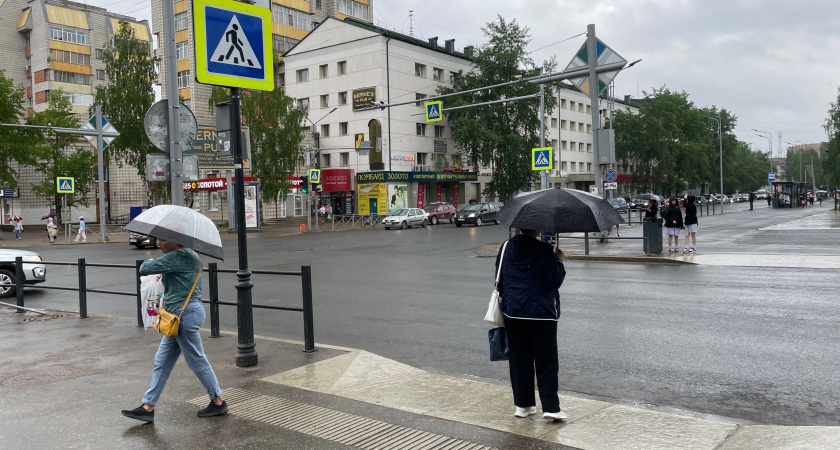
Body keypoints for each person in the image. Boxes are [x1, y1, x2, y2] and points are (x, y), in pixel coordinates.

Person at [122, 238, 226, 423]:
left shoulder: (181, 255)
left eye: (163, 240)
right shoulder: (183, 255)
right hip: (178, 316)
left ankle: (218, 401)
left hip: (184, 315)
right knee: (162, 361)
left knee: (196, 359)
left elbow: (144, 268)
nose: (159, 244)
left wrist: (155, 263)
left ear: (177, 241)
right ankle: (148, 407)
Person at [495, 229, 568, 421]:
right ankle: (551, 407)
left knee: (519, 359)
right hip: (541, 314)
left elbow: (499, 279)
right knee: (546, 360)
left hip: (513, 312)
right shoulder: (544, 250)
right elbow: (554, 282)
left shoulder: (506, 247)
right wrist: (558, 260)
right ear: (537, 229)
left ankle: (523, 405)